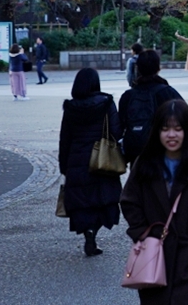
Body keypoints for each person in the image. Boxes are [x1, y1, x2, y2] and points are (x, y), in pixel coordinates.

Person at [121, 99, 188, 305]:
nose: (171, 135)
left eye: (178, 129)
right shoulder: (145, 163)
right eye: (165, 129)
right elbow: (130, 200)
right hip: (155, 252)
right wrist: (142, 233)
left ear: (187, 131)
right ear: (157, 131)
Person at [58, 68, 123, 256]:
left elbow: (65, 139)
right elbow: (116, 132)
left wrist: (65, 166)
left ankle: (88, 232)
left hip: (77, 160)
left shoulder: (71, 108)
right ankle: (94, 230)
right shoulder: (106, 104)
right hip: (102, 161)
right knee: (103, 200)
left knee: (83, 202)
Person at [119, 50, 188, 166]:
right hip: (161, 149)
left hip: (136, 149)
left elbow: (119, 125)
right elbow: (187, 117)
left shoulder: (128, 96)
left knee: (138, 180)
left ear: (138, 69)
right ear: (158, 68)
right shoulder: (166, 92)